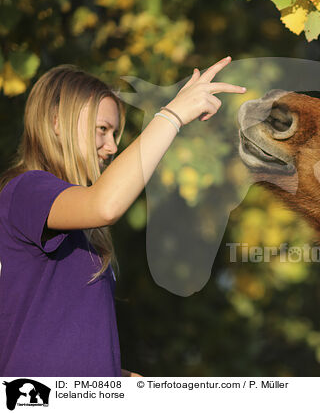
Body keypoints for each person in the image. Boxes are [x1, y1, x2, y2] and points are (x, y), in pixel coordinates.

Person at [0, 57, 246, 377]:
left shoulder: (79, 230)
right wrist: (172, 116)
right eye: (102, 130)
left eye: (115, 133)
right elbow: (106, 205)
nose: (112, 146)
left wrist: (117, 378)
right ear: (56, 122)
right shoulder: (27, 190)